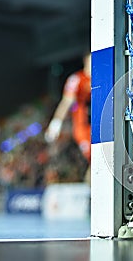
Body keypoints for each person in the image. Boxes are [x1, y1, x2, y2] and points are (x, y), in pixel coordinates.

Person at [45, 53, 91, 183]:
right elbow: (66, 102)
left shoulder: (103, 78)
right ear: (85, 61)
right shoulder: (77, 79)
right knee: (95, 162)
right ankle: (92, 197)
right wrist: (56, 124)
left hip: (103, 126)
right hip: (84, 129)